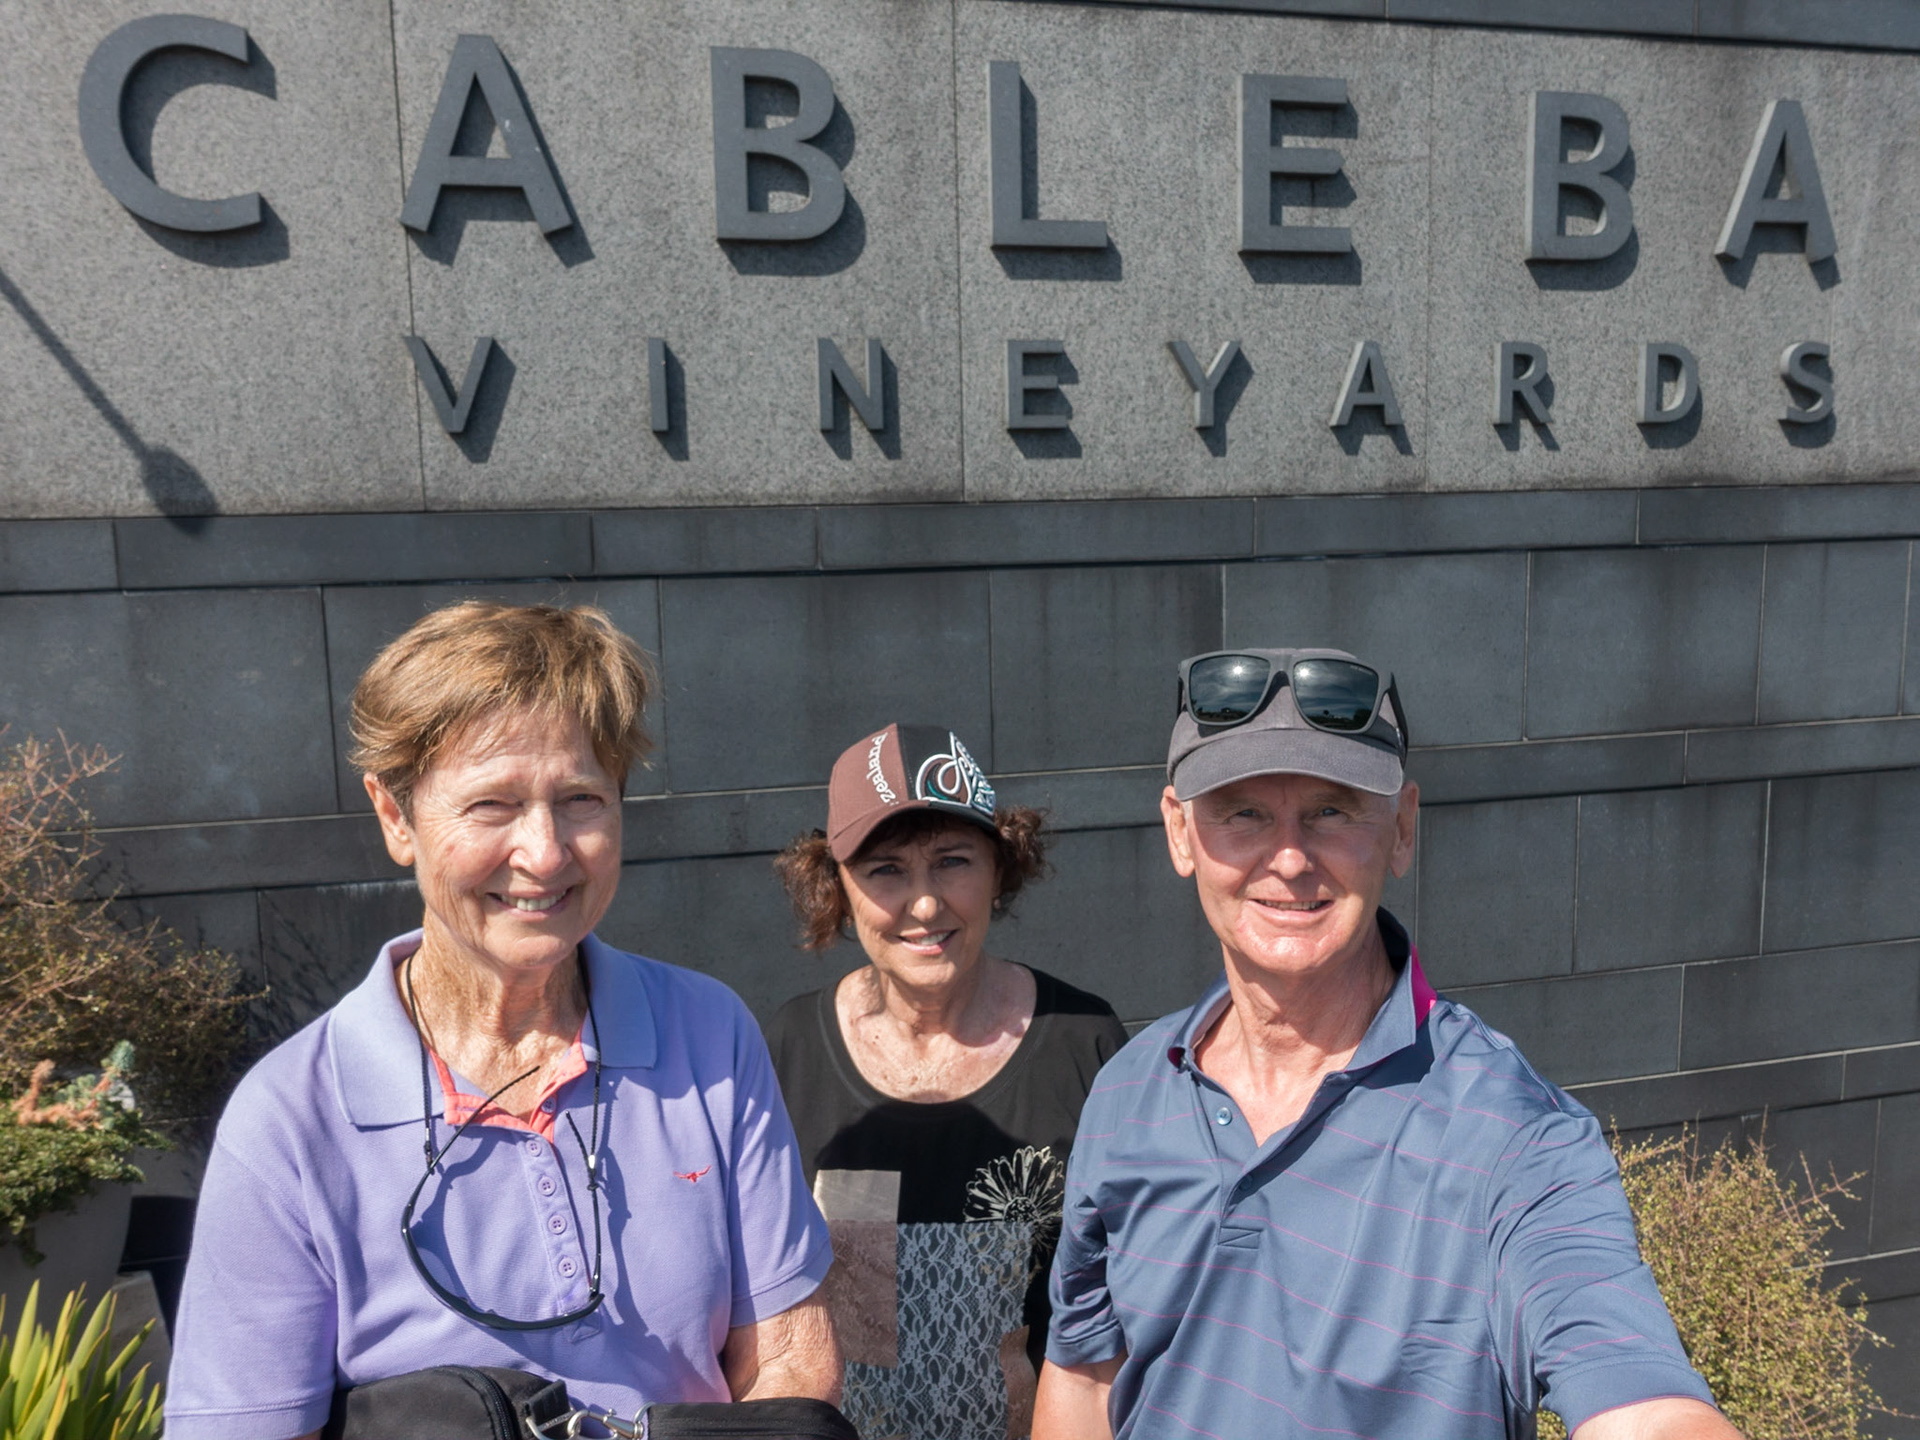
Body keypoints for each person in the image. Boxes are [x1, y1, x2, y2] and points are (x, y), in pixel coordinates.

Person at [164, 601, 840, 1440]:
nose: (546, 852)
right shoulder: (292, 1121)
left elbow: (791, 1356)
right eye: (492, 805)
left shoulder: (709, 1036)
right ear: (395, 817)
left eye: (581, 799)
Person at [1034, 648, 1737, 1440]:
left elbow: (1643, 1403)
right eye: (1242, 812)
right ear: (1179, 832)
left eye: (1333, 811)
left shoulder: (1513, 1136)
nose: (1291, 858)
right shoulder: (1129, 1088)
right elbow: (1086, 1376)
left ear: (1401, 830)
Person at [764, 724, 1128, 1440]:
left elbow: (1125, 1310)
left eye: (953, 862)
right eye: (886, 870)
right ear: (836, 884)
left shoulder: (1082, 1043)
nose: (925, 904)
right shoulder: (786, 1052)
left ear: (1000, 867)